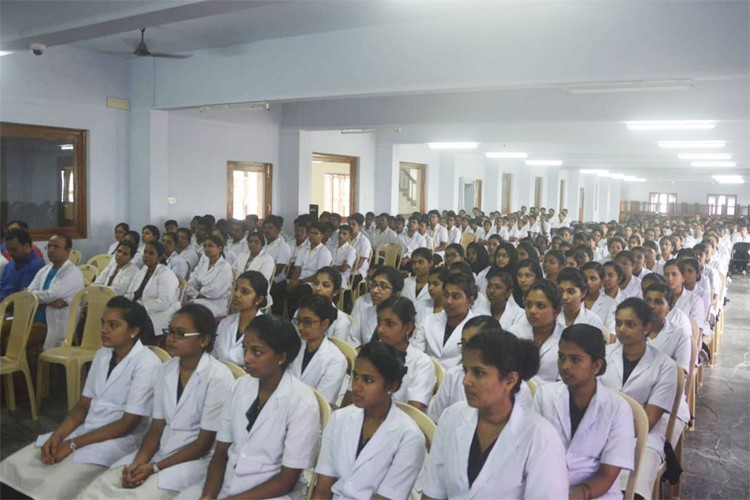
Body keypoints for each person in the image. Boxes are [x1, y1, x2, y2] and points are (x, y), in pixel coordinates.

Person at [0, 297, 160, 499]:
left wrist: (73, 444)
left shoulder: (147, 364)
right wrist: (57, 436)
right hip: (88, 430)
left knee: (52, 484)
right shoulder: (103, 354)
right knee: (13, 468)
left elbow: (127, 424)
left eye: (113, 325)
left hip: (119, 440)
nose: (104, 329)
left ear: (134, 331)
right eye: (103, 323)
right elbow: (83, 406)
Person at [79, 304, 234, 499]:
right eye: (170, 331)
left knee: (136, 495)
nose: (171, 338)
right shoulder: (165, 370)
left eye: (180, 334)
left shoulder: (218, 377)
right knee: (101, 486)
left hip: (193, 461)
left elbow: (203, 444)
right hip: (160, 452)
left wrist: (153, 467)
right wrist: (139, 461)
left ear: (204, 339)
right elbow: (156, 427)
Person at [178, 315, 320, 499]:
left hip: (269, 493)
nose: (247, 358)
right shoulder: (239, 386)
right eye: (245, 349)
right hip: (227, 483)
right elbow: (221, 452)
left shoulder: (302, 402)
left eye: (257, 352)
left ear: (281, 357)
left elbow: (287, 480)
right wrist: (207, 497)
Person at [421, 328, 568, 499]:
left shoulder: (541, 438)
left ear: (509, 380)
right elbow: (433, 492)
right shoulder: (452, 417)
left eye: (479, 372)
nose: (466, 381)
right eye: (465, 370)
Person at [312, 341, 426, 499]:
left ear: (392, 386)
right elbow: (322, 490)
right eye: (355, 376)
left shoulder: (410, 438)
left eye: (368, 380)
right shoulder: (339, 418)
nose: (356, 387)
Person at [533, 324, 634, 500]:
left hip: (594, 493)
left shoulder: (618, 408)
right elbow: (532, 454)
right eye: (561, 357)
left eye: (575, 360)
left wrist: (573, 496)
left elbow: (607, 475)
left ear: (596, 365)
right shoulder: (544, 396)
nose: (565, 366)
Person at [601, 298, 682, 499]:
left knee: (630, 489)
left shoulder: (665, 366)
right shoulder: (603, 356)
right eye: (618, 323)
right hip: (599, 428)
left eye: (630, 324)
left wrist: (614, 438)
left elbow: (649, 419)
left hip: (643, 437)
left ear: (646, 328)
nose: (621, 329)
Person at [427, 317, 533, 423]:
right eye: (463, 343)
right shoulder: (453, 375)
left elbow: (519, 429)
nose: (466, 349)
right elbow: (435, 420)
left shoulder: (520, 389)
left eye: (474, 344)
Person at [373, 297, 435, 411]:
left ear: (408, 327)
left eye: (390, 324)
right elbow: (350, 400)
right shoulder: (369, 354)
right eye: (379, 322)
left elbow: (414, 411)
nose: (380, 329)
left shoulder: (421, 363)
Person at [27, 234, 85, 350]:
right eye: (49, 247)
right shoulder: (45, 269)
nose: (51, 250)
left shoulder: (73, 273)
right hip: (33, 319)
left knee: (13, 340)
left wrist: (41, 299)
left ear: (67, 251)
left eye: (56, 247)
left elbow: (52, 294)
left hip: (51, 324)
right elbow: (28, 292)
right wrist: (47, 302)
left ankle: (26, 367)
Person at [289, 294, 348, 405]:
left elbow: (323, 403)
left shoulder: (336, 360)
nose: (300, 327)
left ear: (325, 323)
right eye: (299, 321)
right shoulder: (294, 345)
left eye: (307, 322)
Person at [411, 272, 476, 369]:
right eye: (446, 295)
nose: (448, 301)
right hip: (425, 375)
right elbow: (416, 352)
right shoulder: (429, 320)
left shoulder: (477, 328)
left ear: (470, 301)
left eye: (455, 297)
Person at [507, 280, 564, 385]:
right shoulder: (513, 333)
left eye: (540, 306)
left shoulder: (566, 338)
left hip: (551, 397)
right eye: (528, 305)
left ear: (556, 311)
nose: (532, 311)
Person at [125, 241, 180, 342]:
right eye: (145, 252)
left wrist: (140, 309)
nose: (146, 256)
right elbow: (131, 292)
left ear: (159, 257)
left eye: (151, 253)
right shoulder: (143, 270)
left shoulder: (166, 274)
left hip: (158, 315)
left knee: (130, 325)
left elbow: (163, 302)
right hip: (137, 309)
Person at [214, 271, 267, 366]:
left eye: (244, 292)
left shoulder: (267, 330)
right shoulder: (226, 322)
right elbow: (214, 354)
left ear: (259, 299)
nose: (236, 294)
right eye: (236, 289)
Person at [349, 266, 403, 347]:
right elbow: (352, 341)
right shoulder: (365, 313)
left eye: (383, 286)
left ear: (396, 294)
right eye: (374, 285)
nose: (375, 290)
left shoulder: (403, 319)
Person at [185, 235, 234, 318]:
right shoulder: (203, 262)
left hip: (216, 304)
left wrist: (199, 290)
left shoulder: (225, 267)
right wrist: (197, 294)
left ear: (220, 249)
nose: (207, 249)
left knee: (192, 312)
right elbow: (190, 283)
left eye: (210, 246)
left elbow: (215, 291)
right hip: (198, 299)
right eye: (205, 246)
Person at [556, 267, 607, 336]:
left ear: (583, 293)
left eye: (570, 292)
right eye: (561, 291)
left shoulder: (592, 321)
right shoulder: (551, 317)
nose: (564, 297)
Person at [307, 266, 352, 341]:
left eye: (325, 285)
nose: (318, 288)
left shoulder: (341, 321)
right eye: (316, 283)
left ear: (335, 292)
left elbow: (336, 350)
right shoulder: (302, 311)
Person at [0, 228, 45, 301]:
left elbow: (23, 296)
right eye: (9, 250)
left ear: (26, 246)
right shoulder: (10, 265)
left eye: (14, 249)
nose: (10, 253)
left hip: (18, 309)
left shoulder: (37, 266)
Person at [582, 262, 617, 337]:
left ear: (602, 281)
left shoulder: (611, 304)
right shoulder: (575, 301)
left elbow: (611, 335)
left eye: (593, 279)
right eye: (585, 279)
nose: (588, 282)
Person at [401, 247, 433, 311]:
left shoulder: (435, 285)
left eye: (420, 262)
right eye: (414, 262)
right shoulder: (406, 282)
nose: (416, 266)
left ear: (430, 263)